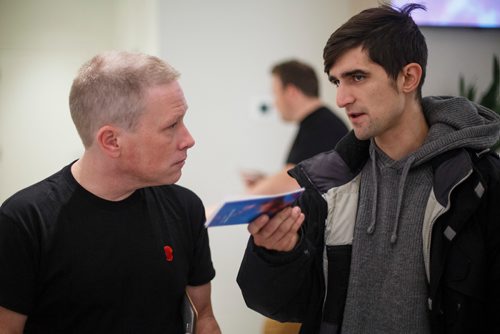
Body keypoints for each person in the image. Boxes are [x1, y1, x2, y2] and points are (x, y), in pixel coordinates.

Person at [238, 3, 500, 334]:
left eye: (357, 77)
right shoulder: (327, 184)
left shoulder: (480, 184)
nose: (342, 98)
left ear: (408, 77)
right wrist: (276, 256)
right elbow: (285, 306)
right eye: (336, 82)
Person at [0, 51, 221, 333]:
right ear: (112, 141)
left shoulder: (185, 208)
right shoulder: (25, 221)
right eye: (171, 126)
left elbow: (203, 317)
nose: (189, 140)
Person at [242, 59, 348, 195]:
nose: (275, 103)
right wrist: (266, 181)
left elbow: (293, 180)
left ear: (291, 92)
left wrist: (249, 194)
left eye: (275, 93)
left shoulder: (323, 126)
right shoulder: (317, 122)